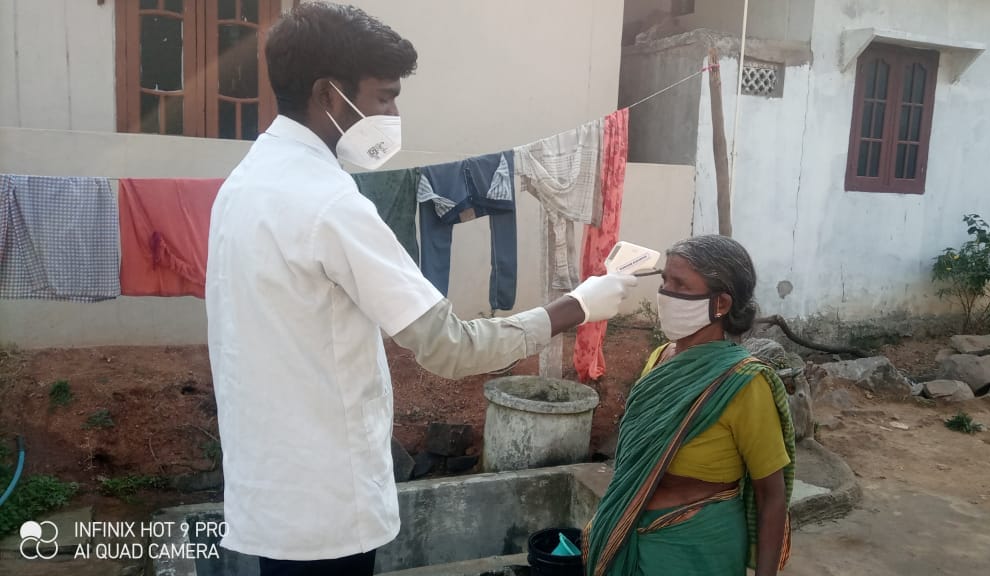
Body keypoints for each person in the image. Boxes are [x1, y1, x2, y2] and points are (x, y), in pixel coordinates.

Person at [205, 4, 637, 575]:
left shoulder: (244, 185)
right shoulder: (330, 205)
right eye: (384, 97)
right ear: (329, 95)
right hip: (328, 508)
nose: (394, 112)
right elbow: (450, 347)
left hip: (268, 492)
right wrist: (575, 306)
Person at [584, 235, 795, 576]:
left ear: (721, 303)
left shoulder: (744, 384)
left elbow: (771, 494)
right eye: (665, 280)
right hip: (630, 528)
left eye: (680, 284)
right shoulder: (660, 358)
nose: (665, 293)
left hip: (696, 546)